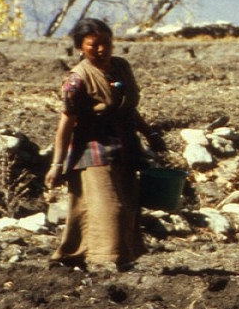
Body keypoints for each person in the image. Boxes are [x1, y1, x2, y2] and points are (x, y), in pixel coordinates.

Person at [45, 17, 160, 272]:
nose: (101, 49)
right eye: (93, 45)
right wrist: (57, 163)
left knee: (126, 207)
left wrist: (149, 133)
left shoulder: (121, 67)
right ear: (80, 48)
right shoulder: (77, 79)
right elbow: (66, 124)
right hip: (94, 151)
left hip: (126, 148)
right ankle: (113, 261)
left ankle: (77, 256)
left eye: (106, 43)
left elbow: (129, 108)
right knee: (111, 209)